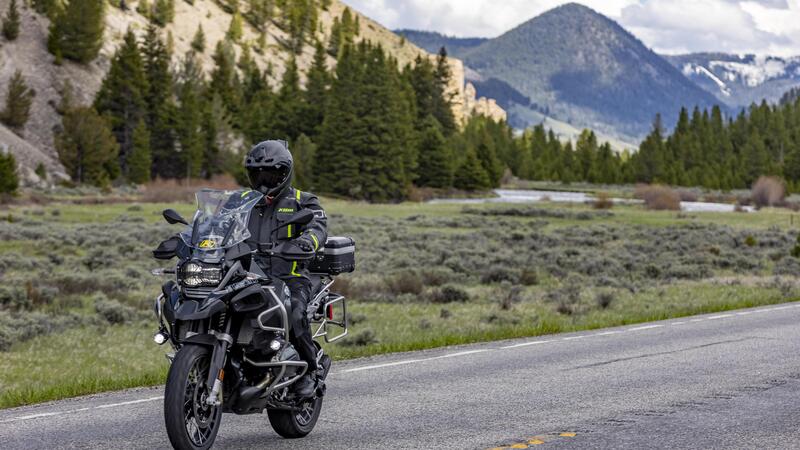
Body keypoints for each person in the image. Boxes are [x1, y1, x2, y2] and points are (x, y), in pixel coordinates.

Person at [243, 140, 327, 397]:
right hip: (246, 276)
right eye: (257, 174)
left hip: (289, 277)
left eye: (269, 173)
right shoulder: (242, 201)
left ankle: (310, 371)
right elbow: (217, 224)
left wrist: (305, 242)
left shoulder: (303, 200)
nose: (263, 180)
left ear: (284, 172)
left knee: (294, 313)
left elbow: (318, 227)